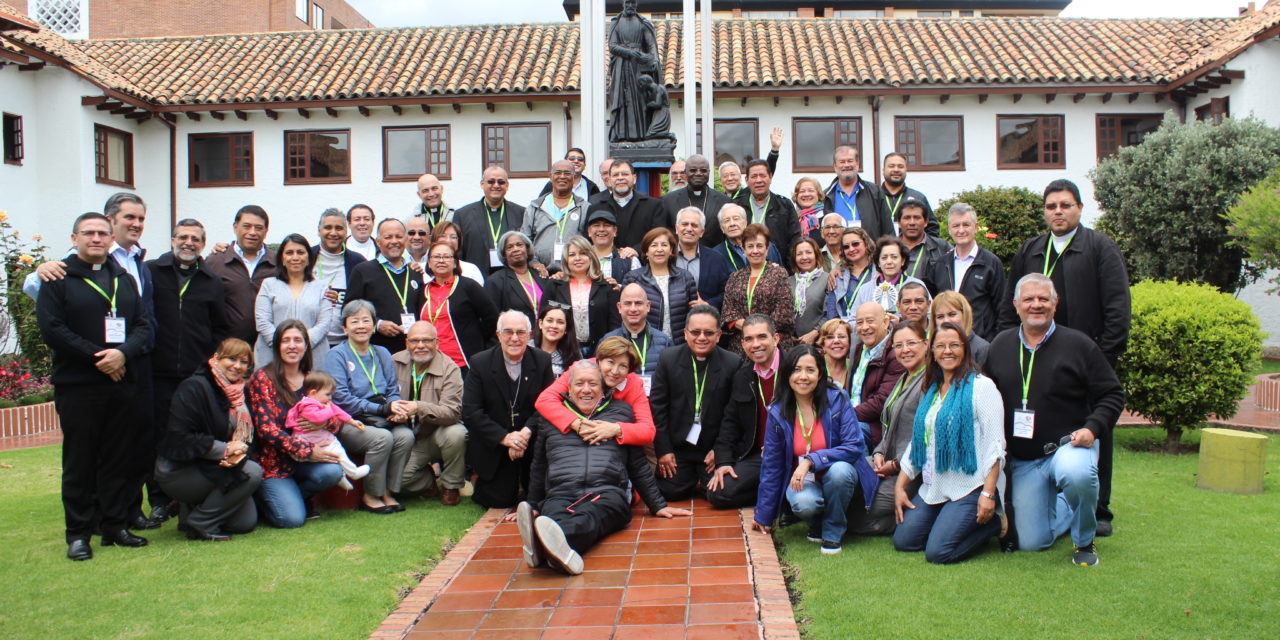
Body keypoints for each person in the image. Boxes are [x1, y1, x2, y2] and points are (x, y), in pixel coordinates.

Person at [998, 180, 1131, 537]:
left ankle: (1099, 509)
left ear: (1079, 209)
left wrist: (1102, 358)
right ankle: (1041, 500)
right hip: (1035, 356)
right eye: (1052, 206)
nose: (1058, 211)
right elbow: (1011, 306)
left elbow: (1118, 307)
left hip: (1083, 360)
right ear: (1044, 211)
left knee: (1092, 431)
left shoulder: (1100, 247)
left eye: (1065, 205)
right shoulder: (1031, 249)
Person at [986, 274, 1125, 566]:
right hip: (1024, 460)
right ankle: (1068, 505)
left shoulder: (1079, 345)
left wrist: (1092, 428)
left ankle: (1085, 540)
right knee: (1031, 542)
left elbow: (1112, 394)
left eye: (1043, 299)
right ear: (1015, 305)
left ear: (1055, 303)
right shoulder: (1000, 345)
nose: (1036, 305)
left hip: (1068, 447)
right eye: (1028, 299)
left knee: (1077, 474)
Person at [38, 212, 154, 560]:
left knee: (119, 458)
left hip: (122, 381)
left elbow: (143, 326)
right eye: (89, 233)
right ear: (74, 238)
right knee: (81, 460)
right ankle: (78, 533)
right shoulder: (58, 278)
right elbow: (53, 330)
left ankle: (115, 525)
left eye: (103, 233)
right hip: (79, 385)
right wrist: (99, 358)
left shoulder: (122, 278)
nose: (97, 239)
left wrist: (122, 354)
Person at [517, 361, 689, 575]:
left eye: (592, 384)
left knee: (591, 514)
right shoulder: (550, 417)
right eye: (579, 384)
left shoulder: (621, 413)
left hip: (607, 492)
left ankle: (543, 545)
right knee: (551, 515)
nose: (586, 390)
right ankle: (555, 549)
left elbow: (637, 464)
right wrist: (533, 502)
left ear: (602, 389)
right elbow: (540, 464)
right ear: (568, 389)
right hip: (561, 491)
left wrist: (658, 505)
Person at [892, 322, 1006, 564]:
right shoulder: (932, 389)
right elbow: (918, 441)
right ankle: (947, 521)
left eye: (954, 345)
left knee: (938, 552)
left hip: (969, 484)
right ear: (931, 351)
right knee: (904, 540)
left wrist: (988, 493)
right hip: (935, 484)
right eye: (941, 346)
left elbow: (995, 444)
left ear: (965, 349)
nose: (947, 351)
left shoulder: (982, 387)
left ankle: (994, 523)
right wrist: (900, 486)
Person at [752, 345, 878, 555]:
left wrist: (811, 460)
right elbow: (772, 466)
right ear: (787, 374)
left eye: (810, 370)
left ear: (820, 374)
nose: (803, 376)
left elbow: (854, 446)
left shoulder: (837, 399)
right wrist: (763, 515)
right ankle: (816, 524)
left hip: (839, 477)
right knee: (804, 503)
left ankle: (832, 532)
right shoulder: (778, 411)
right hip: (804, 482)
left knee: (840, 471)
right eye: (796, 369)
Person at [146, 218, 230, 524]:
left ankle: (186, 499)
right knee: (159, 435)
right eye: (183, 237)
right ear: (172, 240)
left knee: (195, 435)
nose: (189, 243)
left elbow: (218, 328)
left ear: (203, 244)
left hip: (195, 377)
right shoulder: (152, 272)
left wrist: (210, 367)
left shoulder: (211, 280)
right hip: (158, 371)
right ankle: (158, 500)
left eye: (195, 239)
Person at [155, 338, 262, 542]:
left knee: (244, 523)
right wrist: (224, 449)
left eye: (243, 362)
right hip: (179, 470)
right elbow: (180, 438)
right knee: (253, 472)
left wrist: (237, 453)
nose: (237, 366)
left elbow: (246, 436)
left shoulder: (239, 392)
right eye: (231, 359)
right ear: (216, 358)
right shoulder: (194, 386)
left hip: (216, 465)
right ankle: (200, 523)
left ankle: (190, 510)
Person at [246, 319, 344, 528]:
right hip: (274, 464)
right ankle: (268, 501)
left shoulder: (312, 379)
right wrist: (306, 450)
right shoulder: (262, 378)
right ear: (277, 346)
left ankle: (295, 498)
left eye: (298, 340)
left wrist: (323, 424)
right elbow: (266, 429)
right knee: (291, 520)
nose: (292, 345)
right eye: (286, 341)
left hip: (304, 464)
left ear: (306, 346)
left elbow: (335, 417)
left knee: (333, 472)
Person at [324, 301, 416, 514]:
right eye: (354, 321)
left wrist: (395, 409)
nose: (361, 326)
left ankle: (389, 491)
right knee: (381, 438)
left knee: (405, 436)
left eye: (366, 320)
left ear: (374, 325)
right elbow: (341, 398)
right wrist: (380, 410)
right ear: (344, 327)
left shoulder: (382, 352)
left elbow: (392, 389)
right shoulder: (337, 355)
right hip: (351, 420)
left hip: (382, 415)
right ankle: (371, 494)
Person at [462, 311, 555, 508]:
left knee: (539, 498)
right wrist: (505, 439)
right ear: (498, 334)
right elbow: (471, 411)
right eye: (508, 332)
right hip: (496, 443)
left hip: (531, 440)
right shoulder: (480, 362)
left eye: (521, 332)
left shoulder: (542, 361)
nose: (514, 338)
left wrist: (525, 434)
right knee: (499, 501)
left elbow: (548, 404)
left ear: (530, 335)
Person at [651, 305, 741, 500]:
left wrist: (721, 450)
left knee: (720, 492)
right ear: (685, 333)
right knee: (669, 491)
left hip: (712, 448)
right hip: (679, 447)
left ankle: (699, 477)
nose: (701, 337)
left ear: (718, 335)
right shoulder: (668, 359)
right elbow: (658, 409)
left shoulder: (732, 363)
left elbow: (733, 415)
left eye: (708, 333)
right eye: (695, 332)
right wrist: (664, 450)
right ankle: (691, 477)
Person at [851, 319, 928, 536]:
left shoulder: (929, 382)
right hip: (886, 461)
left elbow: (924, 436)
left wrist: (895, 464)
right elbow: (889, 423)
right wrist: (878, 452)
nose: (905, 350)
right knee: (842, 479)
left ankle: (900, 521)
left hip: (911, 470)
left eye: (911, 343)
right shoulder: (903, 377)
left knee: (855, 513)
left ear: (926, 343)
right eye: (899, 346)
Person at [706, 314, 780, 509]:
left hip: (792, 452)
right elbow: (729, 424)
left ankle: (778, 493)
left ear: (776, 339)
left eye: (762, 337)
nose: (756, 344)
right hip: (758, 456)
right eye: (749, 339)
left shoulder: (794, 369)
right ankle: (776, 493)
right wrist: (723, 462)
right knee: (718, 492)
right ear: (743, 343)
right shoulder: (743, 376)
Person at [533, 335, 657, 446]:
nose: (614, 371)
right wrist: (576, 423)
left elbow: (648, 431)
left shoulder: (634, 384)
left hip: (613, 446)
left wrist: (616, 429)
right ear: (599, 361)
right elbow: (544, 400)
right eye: (610, 362)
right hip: (572, 438)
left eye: (623, 366)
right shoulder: (581, 369)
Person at [394, 322, 467, 506]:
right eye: (415, 340)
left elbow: (452, 412)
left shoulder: (450, 368)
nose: (420, 345)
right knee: (396, 482)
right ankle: (428, 480)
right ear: (406, 343)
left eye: (426, 340)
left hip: (433, 435)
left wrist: (418, 407)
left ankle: (451, 485)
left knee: (457, 433)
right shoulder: (393, 362)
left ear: (437, 342)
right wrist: (392, 411)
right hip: (403, 435)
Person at [254, 233, 335, 367]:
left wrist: (301, 344)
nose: (295, 257)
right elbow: (262, 322)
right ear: (282, 258)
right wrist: (283, 344)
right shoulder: (268, 285)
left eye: (301, 252)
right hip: (272, 356)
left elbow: (324, 323)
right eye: (289, 253)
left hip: (312, 357)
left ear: (309, 258)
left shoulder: (322, 287)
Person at [345, 219, 424, 354]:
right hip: (376, 350)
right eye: (388, 237)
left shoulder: (415, 272)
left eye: (399, 236)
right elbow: (349, 310)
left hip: (413, 350)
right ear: (378, 242)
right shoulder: (363, 271)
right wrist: (377, 325)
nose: (394, 241)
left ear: (405, 239)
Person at [420, 240, 499, 374]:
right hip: (430, 361)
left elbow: (491, 318)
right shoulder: (423, 291)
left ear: (455, 262)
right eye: (436, 257)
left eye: (446, 257)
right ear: (429, 263)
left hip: (462, 362)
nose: (441, 260)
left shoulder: (469, 286)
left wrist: (476, 339)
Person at [930, 203, 1005, 341]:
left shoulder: (991, 263)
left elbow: (1001, 308)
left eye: (966, 225)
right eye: (956, 226)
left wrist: (996, 342)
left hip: (981, 342)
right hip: (947, 342)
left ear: (976, 228)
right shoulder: (941, 264)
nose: (961, 230)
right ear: (949, 229)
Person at [285, 371, 370, 489]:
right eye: (328, 394)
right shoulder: (307, 405)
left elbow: (338, 411)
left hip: (318, 438)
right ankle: (354, 473)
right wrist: (330, 411)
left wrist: (351, 421)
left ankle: (341, 477)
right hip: (308, 441)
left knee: (335, 452)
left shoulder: (323, 403)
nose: (330, 398)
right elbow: (317, 418)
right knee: (338, 452)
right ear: (313, 393)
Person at [206, 205, 277, 345]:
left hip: (267, 347)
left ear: (266, 231)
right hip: (227, 348)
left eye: (258, 228)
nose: (252, 232)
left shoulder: (277, 263)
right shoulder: (216, 261)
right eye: (246, 226)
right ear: (235, 227)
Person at [721, 224, 795, 357]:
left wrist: (757, 331)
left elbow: (784, 313)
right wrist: (749, 330)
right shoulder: (735, 277)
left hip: (773, 345)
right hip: (741, 347)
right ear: (743, 249)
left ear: (767, 249)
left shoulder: (779, 273)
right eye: (750, 246)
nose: (755, 251)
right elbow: (728, 313)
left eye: (759, 246)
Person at [621, 227, 699, 344]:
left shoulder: (685, 277)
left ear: (671, 250)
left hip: (679, 344)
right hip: (644, 344)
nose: (659, 249)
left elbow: (693, 313)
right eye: (654, 245)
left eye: (664, 245)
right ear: (646, 251)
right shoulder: (633, 278)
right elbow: (624, 314)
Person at [547, 235, 620, 355]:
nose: (577, 258)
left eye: (582, 253)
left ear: (591, 257)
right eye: (572, 255)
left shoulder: (607, 286)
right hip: (563, 350)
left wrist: (609, 350)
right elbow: (545, 318)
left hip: (600, 351)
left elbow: (614, 325)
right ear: (565, 260)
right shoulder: (554, 285)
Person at [849, 302, 907, 449]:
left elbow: (882, 402)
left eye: (870, 321)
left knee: (853, 431)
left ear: (886, 322)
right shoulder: (860, 349)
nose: (864, 327)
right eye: (859, 322)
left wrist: (845, 416)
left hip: (875, 427)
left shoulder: (895, 354)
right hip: (853, 417)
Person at [311, 208, 368, 346]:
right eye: (327, 228)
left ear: (346, 231)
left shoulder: (358, 263)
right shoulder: (307, 258)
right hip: (311, 341)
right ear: (319, 230)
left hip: (346, 343)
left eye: (339, 228)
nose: (333, 233)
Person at [454, 166, 526, 274]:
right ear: (482, 184)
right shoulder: (462, 215)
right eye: (491, 181)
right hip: (477, 278)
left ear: (507, 185)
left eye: (501, 182)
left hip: (513, 277)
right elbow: (457, 252)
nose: (496, 185)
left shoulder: (521, 213)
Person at [523, 159, 588, 275]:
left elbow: (589, 243)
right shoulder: (535, 207)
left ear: (574, 177)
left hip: (573, 274)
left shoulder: (584, 208)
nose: (562, 176)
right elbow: (525, 241)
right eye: (558, 173)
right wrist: (534, 263)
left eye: (567, 173)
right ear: (551, 177)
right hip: (540, 273)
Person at [585, 159, 666, 251]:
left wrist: (636, 250)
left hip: (643, 261)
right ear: (610, 180)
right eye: (615, 175)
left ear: (634, 178)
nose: (620, 178)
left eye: (625, 174)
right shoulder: (595, 208)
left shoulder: (653, 206)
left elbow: (659, 236)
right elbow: (588, 240)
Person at [602, 283, 674, 384]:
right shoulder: (608, 341)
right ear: (619, 307)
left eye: (638, 303)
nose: (633, 309)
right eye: (627, 303)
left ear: (648, 306)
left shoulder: (664, 342)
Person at [662, 154, 734, 248]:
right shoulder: (668, 201)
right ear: (685, 172)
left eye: (703, 170)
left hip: (714, 257)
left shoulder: (725, 202)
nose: (698, 173)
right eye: (693, 170)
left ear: (709, 173)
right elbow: (663, 233)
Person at [822, 146, 894, 239]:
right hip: (838, 251)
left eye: (850, 161)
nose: (846, 165)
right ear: (835, 166)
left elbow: (888, 229)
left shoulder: (875, 192)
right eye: (842, 162)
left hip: (870, 251)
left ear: (858, 164)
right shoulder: (825, 196)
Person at [849, 236, 928, 316]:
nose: (889, 261)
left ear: (903, 260)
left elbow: (929, 315)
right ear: (878, 263)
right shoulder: (865, 289)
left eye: (894, 257)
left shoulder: (917, 285)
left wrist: (901, 322)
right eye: (884, 258)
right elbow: (853, 319)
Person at [734, 159, 802, 253]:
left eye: (763, 175)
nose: (759, 180)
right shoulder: (736, 206)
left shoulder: (784, 205)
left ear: (770, 177)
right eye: (754, 176)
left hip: (778, 264)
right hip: (744, 263)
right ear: (747, 180)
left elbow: (795, 239)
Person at [485, 230, 549, 329]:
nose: (515, 249)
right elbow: (491, 320)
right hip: (516, 340)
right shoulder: (495, 282)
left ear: (527, 250)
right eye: (509, 247)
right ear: (504, 254)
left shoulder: (540, 275)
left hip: (544, 338)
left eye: (519, 245)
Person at [673, 206, 732, 307]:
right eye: (685, 224)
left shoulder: (716, 259)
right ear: (676, 228)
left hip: (704, 318)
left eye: (694, 225)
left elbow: (726, 292)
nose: (689, 229)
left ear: (702, 232)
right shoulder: (665, 256)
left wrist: (707, 304)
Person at [880, 152, 940, 237]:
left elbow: (932, 229)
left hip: (910, 249)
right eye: (891, 166)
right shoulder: (874, 197)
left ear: (906, 170)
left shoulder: (918, 198)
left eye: (900, 166)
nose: (896, 169)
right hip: (882, 249)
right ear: (883, 170)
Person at [825, 228, 877, 322]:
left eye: (855, 244)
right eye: (846, 247)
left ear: (866, 243)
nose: (851, 249)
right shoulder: (838, 277)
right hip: (845, 331)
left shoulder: (879, 273)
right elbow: (832, 315)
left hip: (874, 329)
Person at [898, 197, 951, 290]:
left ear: (926, 222)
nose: (912, 223)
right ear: (899, 222)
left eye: (917, 218)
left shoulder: (942, 247)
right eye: (907, 218)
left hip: (931, 301)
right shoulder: (888, 248)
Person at [713, 203, 783, 272]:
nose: (732, 224)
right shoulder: (716, 254)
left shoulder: (767, 246)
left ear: (745, 222)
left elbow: (781, 275)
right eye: (727, 220)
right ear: (722, 228)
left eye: (736, 219)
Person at [932, 291, 991, 366]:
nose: (946, 320)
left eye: (952, 314)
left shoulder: (982, 349)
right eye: (940, 317)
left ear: (965, 314)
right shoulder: (932, 348)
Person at [790, 237, 828, 345]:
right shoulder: (788, 281)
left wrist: (814, 333)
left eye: (808, 252)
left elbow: (830, 313)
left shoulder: (827, 279)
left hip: (819, 342)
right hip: (793, 344)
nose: (804, 257)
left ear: (816, 255)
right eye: (799, 254)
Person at [582, 209, 637, 282]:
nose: (601, 229)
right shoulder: (579, 259)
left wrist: (619, 288)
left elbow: (637, 289)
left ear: (615, 231)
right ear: (589, 231)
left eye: (607, 225)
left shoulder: (630, 260)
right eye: (596, 225)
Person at [424, 220, 486, 285]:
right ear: (434, 239)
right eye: (443, 236)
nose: (448, 240)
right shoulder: (421, 270)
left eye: (453, 237)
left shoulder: (471, 270)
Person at [535, 303, 582, 377]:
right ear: (540, 323)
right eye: (550, 321)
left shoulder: (573, 354)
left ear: (566, 328)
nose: (554, 326)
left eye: (560, 322)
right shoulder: (527, 349)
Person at [817, 318, 852, 391]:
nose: (836, 341)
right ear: (823, 344)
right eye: (830, 337)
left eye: (841, 337)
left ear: (849, 342)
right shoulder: (815, 365)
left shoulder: (855, 368)